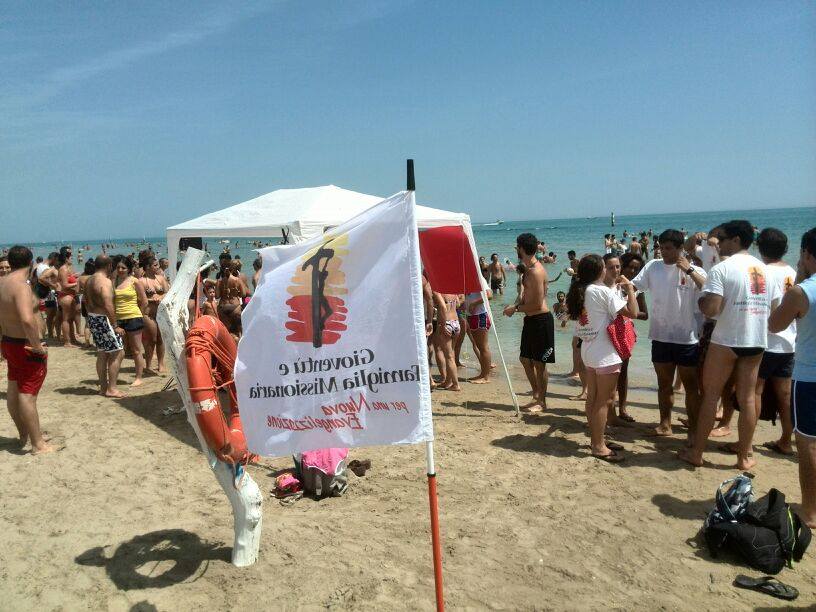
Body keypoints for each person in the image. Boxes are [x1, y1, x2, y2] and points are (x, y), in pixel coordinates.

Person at [680, 220, 777, 470]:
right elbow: (774, 309)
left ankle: (697, 453)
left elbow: (711, 309)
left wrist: (701, 302)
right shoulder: (765, 269)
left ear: (735, 240)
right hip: (755, 339)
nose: (717, 244)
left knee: (710, 395)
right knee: (747, 399)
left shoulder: (722, 269)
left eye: (722, 239)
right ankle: (744, 457)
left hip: (726, 339)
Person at [632, 229, 706, 438]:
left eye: (668, 248)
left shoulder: (694, 269)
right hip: (660, 335)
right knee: (664, 385)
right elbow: (635, 286)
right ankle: (665, 424)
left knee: (691, 387)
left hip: (687, 338)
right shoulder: (653, 266)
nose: (663, 252)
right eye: (661, 247)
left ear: (681, 248)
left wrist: (689, 270)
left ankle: (694, 429)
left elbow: (709, 290)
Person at [567, 254, 638, 462]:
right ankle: (598, 445)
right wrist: (630, 289)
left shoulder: (582, 290)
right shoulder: (601, 290)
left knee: (593, 398)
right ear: (600, 270)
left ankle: (597, 439)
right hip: (605, 352)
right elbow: (633, 312)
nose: (608, 271)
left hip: (589, 350)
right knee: (604, 400)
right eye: (605, 267)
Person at [769, 227, 816, 527]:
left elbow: (775, 324)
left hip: (810, 376)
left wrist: (798, 278)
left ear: (807, 254)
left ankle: (810, 510)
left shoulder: (802, 291)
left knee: (808, 443)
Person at [0, 246, 53, 454]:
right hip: (24, 345)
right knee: (27, 393)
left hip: (9, 341)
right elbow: (27, 319)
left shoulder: (2, 283)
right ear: (31, 263)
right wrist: (37, 346)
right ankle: (37, 444)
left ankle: (25, 433)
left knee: (14, 389)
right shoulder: (21, 286)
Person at [756, 228, 797, 455]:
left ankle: (745, 443)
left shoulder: (762, 271)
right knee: (785, 396)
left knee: (754, 393)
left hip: (765, 342)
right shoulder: (793, 272)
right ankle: (786, 440)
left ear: (760, 248)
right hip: (789, 342)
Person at [503, 233, 554, 412]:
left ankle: (542, 401)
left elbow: (537, 304)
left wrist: (515, 309)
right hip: (531, 319)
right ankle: (536, 395)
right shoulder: (528, 269)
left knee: (540, 363)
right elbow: (528, 298)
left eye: (517, 247)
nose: (516, 249)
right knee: (525, 359)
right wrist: (515, 305)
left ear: (522, 248)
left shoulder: (536, 271)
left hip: (541, 319)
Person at [84, 255, 125, 398]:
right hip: (104, 320)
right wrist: (115, 325)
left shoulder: (89, 280)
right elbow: (108, 304)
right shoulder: (105, 281)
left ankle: (103, 388)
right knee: (118, 352)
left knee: (102, 353)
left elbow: (85, 301)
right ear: (109, 266)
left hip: (93, 318)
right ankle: (111, 389)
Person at [615, 253, 648, 423]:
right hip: (607, 330)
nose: (633, 271)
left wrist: (627, 312)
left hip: (625, 332)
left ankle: (622, 408)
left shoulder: (636, 289)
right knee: (606, 371)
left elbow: (645, 315)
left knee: (623, 372)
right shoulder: (611, 285)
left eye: (637, 269)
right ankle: (607, 407)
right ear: (622, 266)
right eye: (630, 267)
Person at [113, 255, 147, 387]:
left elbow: (144, 301)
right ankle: (114, 377)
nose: (120, 270)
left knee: (136, 350)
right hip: (118, 320)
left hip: (133, 317)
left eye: (123, 267)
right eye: (118, 267)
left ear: (129, 269)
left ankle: (138, 377)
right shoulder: (114, 281)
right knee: (119, 350)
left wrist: (140, 315)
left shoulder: (134, 281)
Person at [140, 256, 169, 374]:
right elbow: (140, 298)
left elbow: (168, 293)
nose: (158, 267)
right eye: (155, 265)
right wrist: (152, 299)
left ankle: (161, 363)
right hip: (148, 314)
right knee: (151, 339)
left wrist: (160, 296)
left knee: (161, 338)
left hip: (161, 313)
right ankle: (148, 364)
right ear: (148, 267)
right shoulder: (141, 281)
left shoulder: (161, 278)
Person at [432, 292, 461, 391]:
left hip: (446, 323)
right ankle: (448, 381)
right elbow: (458, 304)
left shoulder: (438, 292)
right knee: (451, 354)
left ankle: (456, 384)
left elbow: (443, 307)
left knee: (448, 357)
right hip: (456, 322)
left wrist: (443, 325)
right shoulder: (452, 291)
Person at [464, 291, 492, 383]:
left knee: (483, 347)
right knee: (479, 346)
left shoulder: (479, 282)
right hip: (471, 316)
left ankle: (486, 377)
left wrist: (473, 304)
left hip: (480, 315)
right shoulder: (467, 283)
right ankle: (482, 374)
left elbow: (489, 295)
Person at [56, 246, 80, 347]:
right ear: (65, 257)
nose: (71, 256)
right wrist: (77, 283)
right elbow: (65, 285)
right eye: (69, 255)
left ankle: (72, 339)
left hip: (70, 295)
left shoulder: (68, 268)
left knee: (71, 319)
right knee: (66, 319)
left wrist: (74, 277)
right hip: (65, 296)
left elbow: (66, 280)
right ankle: (67, 342)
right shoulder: (63, 269)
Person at [217, 260, 247, 336]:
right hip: (235, 306)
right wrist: (236, 293)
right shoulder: (237, 280)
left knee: (225, 332)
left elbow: (217, 296)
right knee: (239, 331)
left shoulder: (220, 281)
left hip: (223, 306)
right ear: (232, 269)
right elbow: (243, 294)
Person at [77, 260, 95, 347]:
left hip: (84, 300)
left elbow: (77, 291)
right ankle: (96, 341)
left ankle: (87, 342)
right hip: (94, 300)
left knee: (87, 322)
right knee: (96, 321)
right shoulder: (95, 277)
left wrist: (83, 291)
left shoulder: (80, 278)